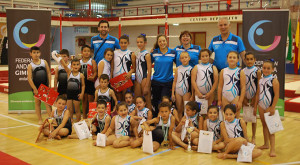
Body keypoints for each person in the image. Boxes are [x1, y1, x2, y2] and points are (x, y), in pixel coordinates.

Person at [255, 59, 279, 157]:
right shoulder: (260, 79)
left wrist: (273, 107)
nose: (266, 70)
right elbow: (258, 94)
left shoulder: (274, 80)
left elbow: (277, 95)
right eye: (264, 68)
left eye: (268, 68)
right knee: (264, 125)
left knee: (271, 128)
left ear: (273, 69)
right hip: (261, 105)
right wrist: (255, 106)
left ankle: (273, 149)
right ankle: (266, 144)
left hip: (269, 106)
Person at [52, 52, 85, 122]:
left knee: (77, 109)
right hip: (69, 94)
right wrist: (59, 57)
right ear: (71, 66)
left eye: (77, 64)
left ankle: (78, 122)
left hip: (77, 94)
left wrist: (82, 93)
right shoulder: (69, 72)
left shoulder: (81, 75)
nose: (76, 66)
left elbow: (83, 85)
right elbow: (64, 64)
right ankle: (71, 120)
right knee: (69, 109)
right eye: (74, 65)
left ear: (80, 66)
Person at [151, 34, 176, 117]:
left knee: (165, 102)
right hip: (156, 82)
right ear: (157, 43)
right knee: (155, 102)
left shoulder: (172, 53)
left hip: (168, 82)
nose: (162, 43)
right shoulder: (154, 53)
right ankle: (156, 120)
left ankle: (165, 120)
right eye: (160, 41)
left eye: (163, 41)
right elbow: (147, 64)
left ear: (166, 41)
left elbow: (180, 65)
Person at [27, 46, 52, 124]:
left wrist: (50, 83)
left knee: (48, 103)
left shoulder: (44, 62)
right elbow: (29, 78)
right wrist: (34, 88)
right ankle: (40, 119)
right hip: (36, 87)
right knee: (38, 103)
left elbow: (48, 72)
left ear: (40, 53)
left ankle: (51, 119)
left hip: (45, 86)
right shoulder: (30, 65)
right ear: (30, 54)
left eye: (37, 52)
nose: (36, 54)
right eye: (34, 53)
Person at [218, 51, 246, 118]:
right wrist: (219, 100)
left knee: (236, 118)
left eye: (234, 57)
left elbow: (243, 87)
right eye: (230, 57)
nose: (232, 59)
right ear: (227, 59)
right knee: (226, 117)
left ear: (237, 60)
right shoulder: (223, 71)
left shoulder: (240, 71)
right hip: (225, 97)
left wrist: (240, 101)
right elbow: (220, 87)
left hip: (235, 97)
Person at [242, 52, 261, 144]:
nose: (249, 61)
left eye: (251, 59)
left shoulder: (257, 71)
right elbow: (241, 85)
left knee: (253, 118)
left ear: (255, 60)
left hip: (254, 97)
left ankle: (253, 136)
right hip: (245, 97)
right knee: (245, 118)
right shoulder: (242, 71)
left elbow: (259, 86)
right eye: (247, 59)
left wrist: (255, 98)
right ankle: (245, 135)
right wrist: (243, 98)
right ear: (244, 60)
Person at [112, 34, 136, 101]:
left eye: (125, 43)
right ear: (119, 43)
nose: (123, 44)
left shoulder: (131, 54)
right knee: (118, 98)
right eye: (121, 43)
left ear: (128, 43)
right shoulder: (114, 53)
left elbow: (134, 68)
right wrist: (111, 77)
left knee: (126, 98)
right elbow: (112, 67)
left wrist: (130, 73)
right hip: (116, 78)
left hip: (126, 77)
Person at [172, 52, 192, 119]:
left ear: (189, 58)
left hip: (187, 91)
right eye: (182, 58)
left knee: (187, 110)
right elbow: (174, 81)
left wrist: (192, 94)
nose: (184, 59)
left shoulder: (191, 69)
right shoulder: (178, 68)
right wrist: (173, 93)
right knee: (179, 109)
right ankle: (179, 126)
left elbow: (192, 83)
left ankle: (186, 126)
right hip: (178, 91)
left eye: (186, 57)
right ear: (180, 60)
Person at [134, 34, 152, 110]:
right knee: (137, 101)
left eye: (141, 42)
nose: (139, 44)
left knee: (147, 100)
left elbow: (150, 70)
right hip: (138, 79)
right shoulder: (137, 54)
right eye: (138, 42)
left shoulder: (147, 55)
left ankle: (150, 120)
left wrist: (147, 85)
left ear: (145, 43)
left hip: (144, 79)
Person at [80, 45, 97, 119]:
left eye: (88, 51)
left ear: (90, 53)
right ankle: (84, 115)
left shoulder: (92, 61)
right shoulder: (79, 61)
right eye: (85, 51)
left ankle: (91, 115)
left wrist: (93, 77)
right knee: (84, 99)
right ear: (82, 52)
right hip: (82, 82)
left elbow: (95, 72)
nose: (86, 53)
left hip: (90, 82)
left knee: (90, 99)